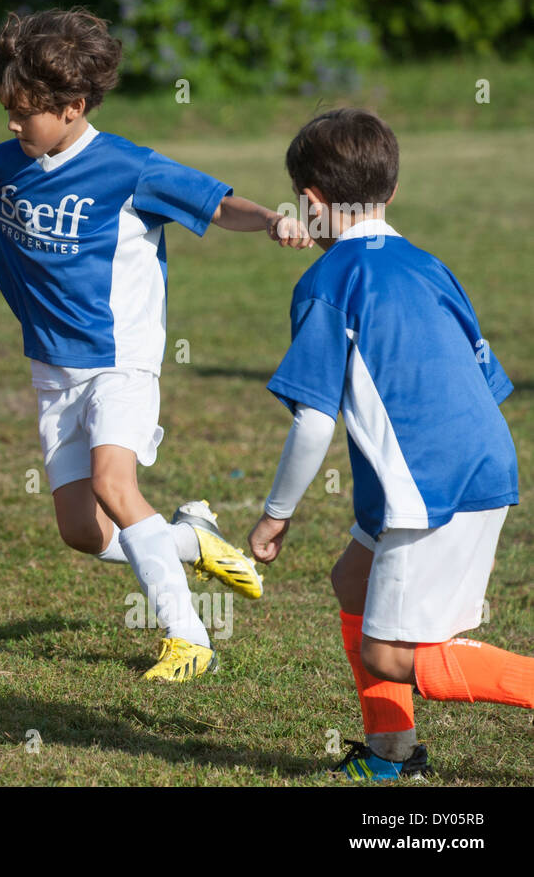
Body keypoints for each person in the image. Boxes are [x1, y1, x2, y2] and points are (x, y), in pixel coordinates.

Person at [0, 8, 310, 681]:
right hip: (52, 370)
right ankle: (191, 539)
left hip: (121, 361)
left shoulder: (127, 168)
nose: (10, 122)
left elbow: (215, 201)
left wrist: (271, 220)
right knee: (82, 531)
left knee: (118, 487)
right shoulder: (2, 165)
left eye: (24, 111)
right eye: (6, 107)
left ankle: (189, 637)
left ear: (73, 107)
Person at [247, 108, 531, 779]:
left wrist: (276, 512)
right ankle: (389, 758)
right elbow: (481, 381)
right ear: (391, 192)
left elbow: (314, 420)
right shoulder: (431, 265)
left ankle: (397, 754)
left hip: (428, 484)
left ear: (310, 202)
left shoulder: (328, 281)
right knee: (353, 578)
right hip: (478, 458)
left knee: (391, 654)